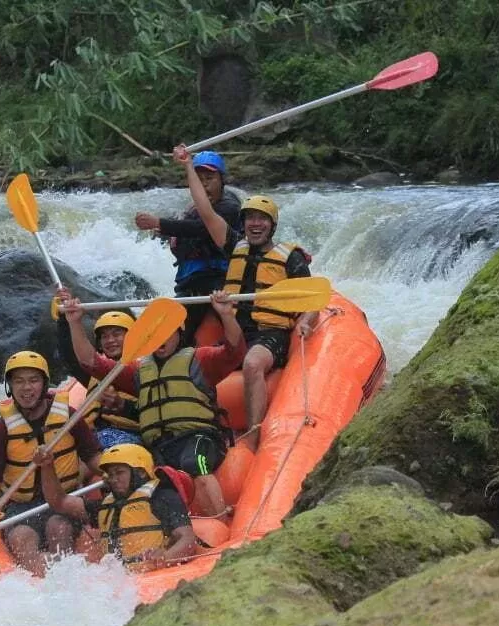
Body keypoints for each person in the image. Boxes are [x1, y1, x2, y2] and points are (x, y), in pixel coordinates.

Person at [174, 144, 317, 451]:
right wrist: (188, 166)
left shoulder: (291, 258)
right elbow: (206, 210)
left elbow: (310, 301)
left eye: (262, 219)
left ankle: (254, 436)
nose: (255, 223)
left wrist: (305, 322)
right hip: (235, 332)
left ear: (272, 225)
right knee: (190, 366)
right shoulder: (233, 245)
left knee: (252, 364)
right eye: (250, 218)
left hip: (270, 335)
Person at [63, 291, 245, 518]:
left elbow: (235, 352)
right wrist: (75, 323)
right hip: (158, 446)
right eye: (155, 333)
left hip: (198, 437)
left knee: (194, 462)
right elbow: (90, 361)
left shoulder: (200, 359)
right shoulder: (139, 371)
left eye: (167, 332)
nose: (161, 338)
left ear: (179, 333)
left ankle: (219, 519)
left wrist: (226, 314)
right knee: (141, 480)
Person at [0, 350, 102, 576]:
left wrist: (120, 477)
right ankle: (44, 576)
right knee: (21, 537)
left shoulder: (68, 416)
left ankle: (58, 577)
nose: (26, 388)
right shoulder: (2, 430)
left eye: (33, 380)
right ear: (10, 387)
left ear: (44, 384)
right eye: (19, 381)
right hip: (19, 506)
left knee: (59, 528)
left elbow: (94, 459)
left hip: (62, 500)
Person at [134, 150, 242, 344]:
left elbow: (202, 228)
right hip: (190, 284)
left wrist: (159, 222)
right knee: (171, 334)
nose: (205, 184)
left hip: (220, 282)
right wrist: (166, 234)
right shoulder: (190, 210)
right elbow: (185, 236)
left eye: (210, 178)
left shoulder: (230, 206)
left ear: (222, 180)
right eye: (199, 179)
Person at [37, 443, 196, 571]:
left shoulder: (162, 497)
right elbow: (59, 501)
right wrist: (47, 466)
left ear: (140, 473)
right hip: (119, 579)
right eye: (110, 474)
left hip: (153, 573)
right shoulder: (106, 505)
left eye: (119, 473)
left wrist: (165, 557)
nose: (113, 479)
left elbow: (187, 540)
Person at [55, 295, 142, 448]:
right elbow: (70, 355)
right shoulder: (93, 373)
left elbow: (153, 413)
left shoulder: (145, 369)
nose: (110, 340)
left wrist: (122, 404)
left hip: (129, 435)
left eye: (116, 334)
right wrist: (65, 319)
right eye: (104, 336)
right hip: (93, 434)